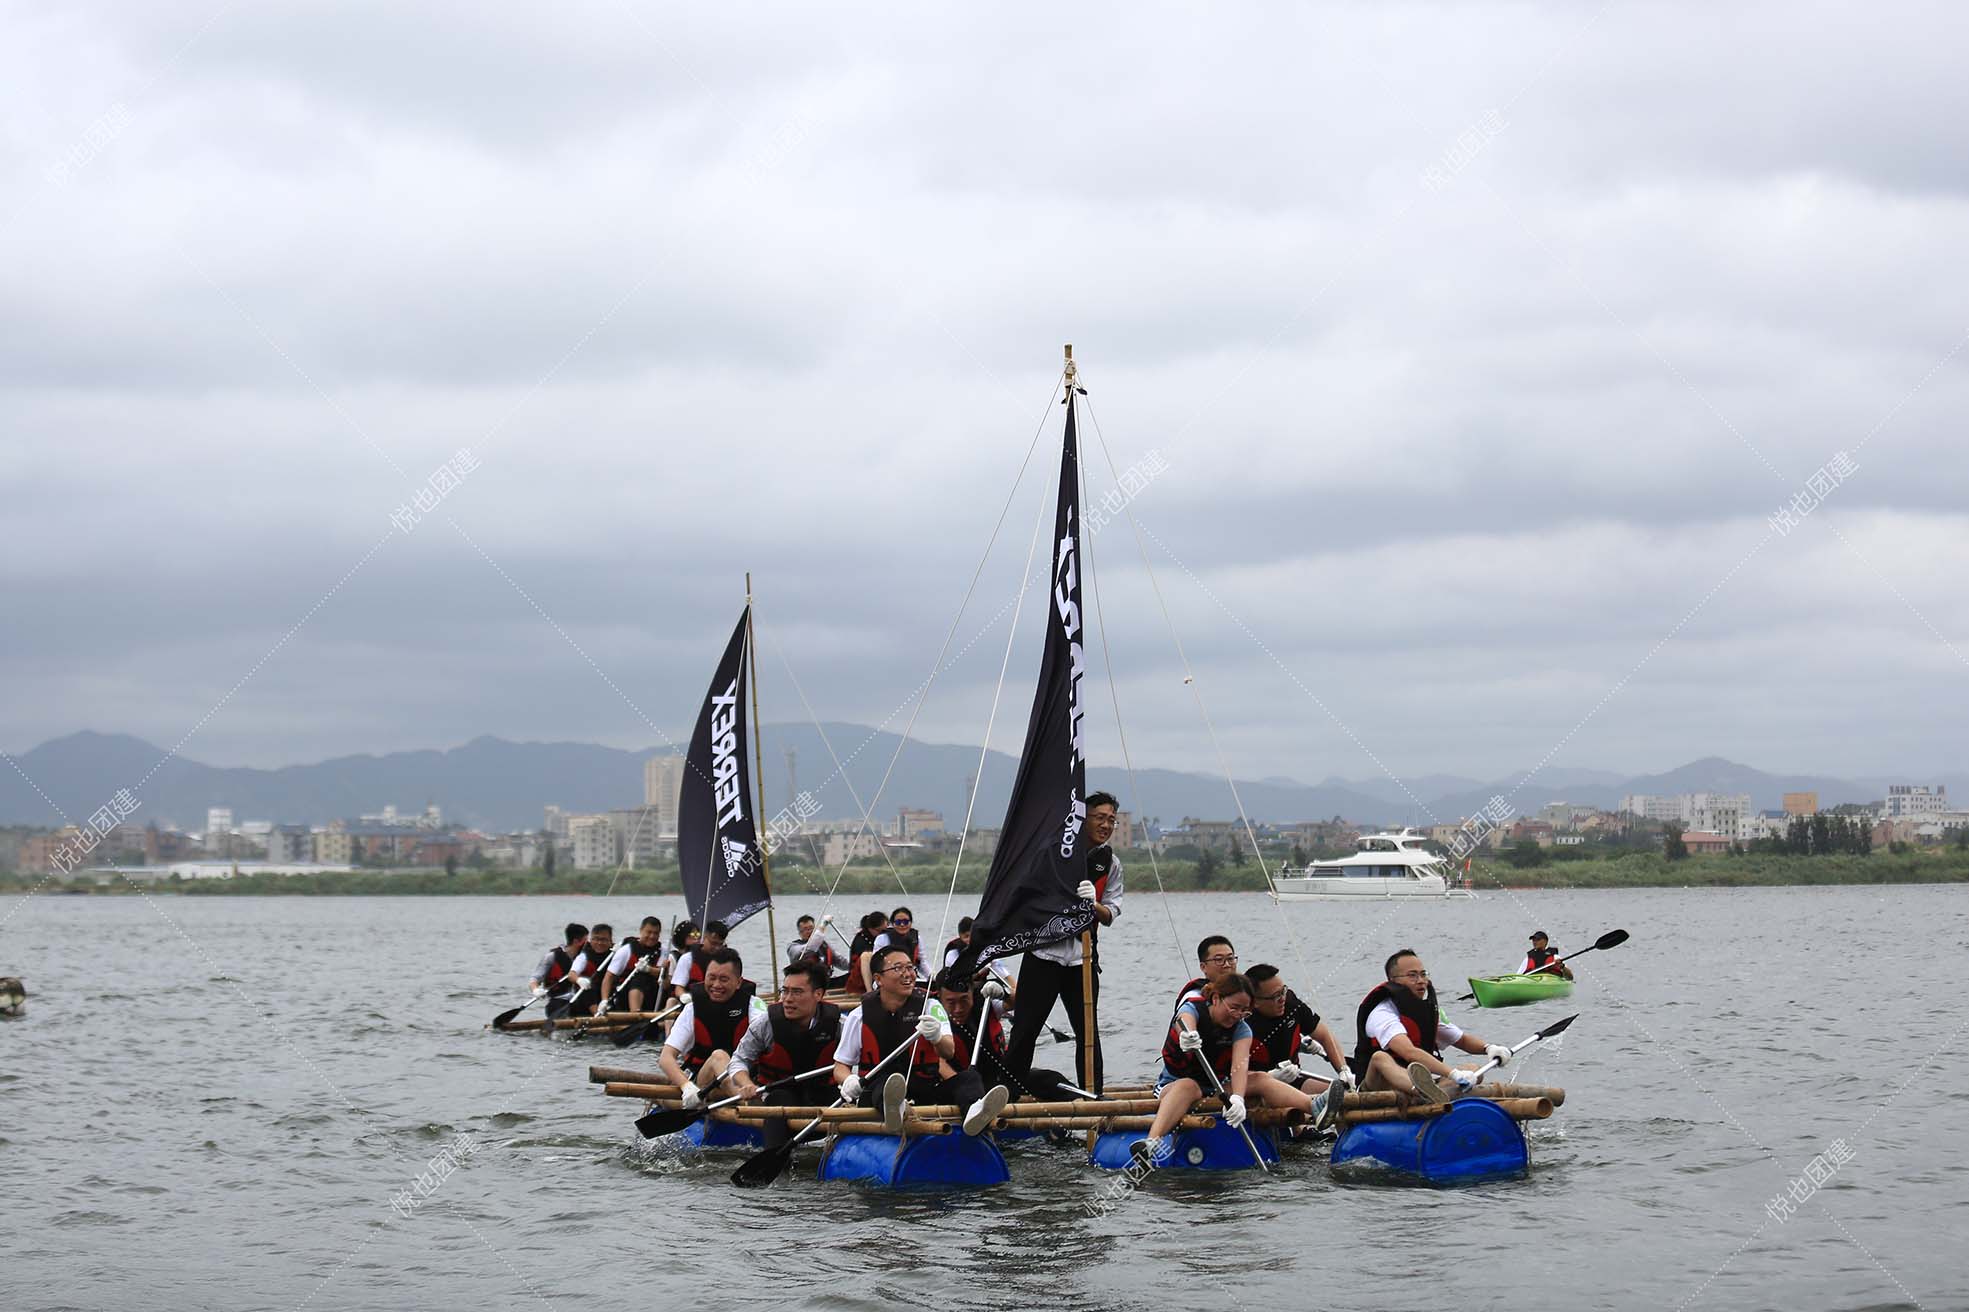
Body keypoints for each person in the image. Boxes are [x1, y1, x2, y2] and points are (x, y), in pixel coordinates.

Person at [1134, 973, 1341, 1168]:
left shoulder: (1242, 1029)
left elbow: (1239, 1068)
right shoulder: (1194, 1009)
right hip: (1176, 1084)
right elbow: (1184, 1020)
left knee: (1259, 1078)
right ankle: (1152, 1142)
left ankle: (1313, 1107)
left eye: (1245, 1011)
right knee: (1188, 1086)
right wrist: (1188, 1035)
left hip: (1217, 1085)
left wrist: (1238, 1100)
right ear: (1216, 998)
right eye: (1234, 1008)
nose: (1238, 1015)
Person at [1005, 791, 1123, 1092]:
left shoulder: (1111, 864)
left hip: (1081, 958)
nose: (1106, 825)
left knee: (1087, 1034)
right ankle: (1008, 1095)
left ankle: (1092, 1095)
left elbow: (1110, 913)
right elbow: (1027, 896)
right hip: (1043, 954)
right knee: (1025, 1029)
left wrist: (1092, 904)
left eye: (1111, 820)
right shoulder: (1054, 853)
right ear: (1084, 820)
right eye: (1099, 818)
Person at [832, 946, 1009, 1136]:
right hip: (879, 1092)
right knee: (888, 1084)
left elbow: (948, 1051)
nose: (907, 974)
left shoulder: (931, 1006)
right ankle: (896, 1111)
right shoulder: (859, 1016)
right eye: (898, 968)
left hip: (925, 1090)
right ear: (878, 979)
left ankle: (975, 1110)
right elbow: (840, 1067)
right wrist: (849, 1079)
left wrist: (936, 1037)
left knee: (969, 1078)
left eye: (910, 967)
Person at [1350, 949, 1513, 1104]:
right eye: (1412, 976)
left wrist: (1489, 1048)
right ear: (1394, 981)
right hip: (1378, 1088)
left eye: (1423, 974)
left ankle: (1436, 1093)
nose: (1421, 981)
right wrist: (1453, 1074)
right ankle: (1427, 1092)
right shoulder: (1382, 1013)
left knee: (1473, 1068)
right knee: (1380, 1058)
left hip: (1422, 1084)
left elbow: (1462, 1040)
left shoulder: (1425, 1011)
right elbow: (1409, 1052)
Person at [729, 959, 843, 1149]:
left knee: (845, 1099)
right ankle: (775, 1158)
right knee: (779, 1101)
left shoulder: (840, 1025)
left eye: (797, 992)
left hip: (822, 1093)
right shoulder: (766, 1024)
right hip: (779, 1094)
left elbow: (853, 1062)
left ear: (818, 994)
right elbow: (739, 1060)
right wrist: (746, 1084)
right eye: (785, 991)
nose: (787, 999)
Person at [934, 968, 1070, 1103]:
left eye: (964, 1000)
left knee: (1050, 1079)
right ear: (940, 997)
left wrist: (1004, 994)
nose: (958, 1009)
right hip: (964, 1085)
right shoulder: (934, 1017)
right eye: (951, 1002)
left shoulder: (985, 1000)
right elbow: (941, 1064)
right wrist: (967, 1089)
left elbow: (1023, 1002)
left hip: (1001, 1077)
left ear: (971, 991)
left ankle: (1083, 1104)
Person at [658, 948, 765, 1108]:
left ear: (738, 982)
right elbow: (666, 1058)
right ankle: (750, 1106)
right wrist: (686, 1087)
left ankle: (749, 1099)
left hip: (746, 1079)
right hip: (705, 1080)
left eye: (724, 979)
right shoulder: (692, 1009)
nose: (716, 985)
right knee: (719, 1056)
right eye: (711, 978)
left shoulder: (755, 1006)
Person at [1244, 963, 1352, 1096]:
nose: (1282, 999)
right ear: (1254, 1001)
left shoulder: (1291, 1003)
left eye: (1283, 991)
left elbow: (1324, 1035)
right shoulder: (1242, 1021)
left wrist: (1343, 1070)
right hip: (1254, 1091)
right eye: (1275, 996)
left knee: (1342, 1095)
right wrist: (1269, 1078)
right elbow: (1230, 1075)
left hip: (1293, 1079)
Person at [599, 917, 666, 1015]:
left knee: (647, 977)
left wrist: (648, 969)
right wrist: (604, 1000)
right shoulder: (627, 950)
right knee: (639, 977)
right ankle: (635, 1014)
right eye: (649, 932)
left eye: (656, 933)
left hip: (653, 994)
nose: (652, 936)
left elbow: (663, 973)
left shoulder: (663, 951)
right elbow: (609, 977)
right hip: (626, 993)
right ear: (641, 931)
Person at [944, 916, 1016, 1003]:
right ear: (960, 937)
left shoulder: (986, 951)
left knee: (999, 985)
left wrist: (1015, 990)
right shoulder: (953, 954)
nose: (970, 940)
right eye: (966, 936)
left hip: (979, 990)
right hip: (958, 991)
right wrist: (980, 972)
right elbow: (956, 978)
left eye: (972, 935)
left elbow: (1004, 973)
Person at [527, 923, 590, 1018]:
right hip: (558, 1002)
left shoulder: (586, 957)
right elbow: (534, 979)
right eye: (586, 941)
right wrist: (536, 990)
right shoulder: (551, 957)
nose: (588, 944)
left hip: (580, 1001)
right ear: (576, 941)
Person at [562, 924, 615, 1018]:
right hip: (586, 1001)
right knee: (587, 988)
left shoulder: (615, 955)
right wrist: (579, 980)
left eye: (603, 940)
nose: (599, 943)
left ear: (610, 941)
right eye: (596, 939)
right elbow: (571, 975)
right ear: (590, 941)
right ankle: (598, 1016)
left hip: (607, 998)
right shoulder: (584, 956)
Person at [1174, 935, 1238, 1012]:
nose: (1227, 964)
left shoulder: (1244, 993)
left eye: (1230, 959)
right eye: (1219, 960)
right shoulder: (1194, 998)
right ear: (1203, 967)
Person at [865, 906, 928, 985]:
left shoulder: (917, 938)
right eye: (898, 922)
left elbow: (922, 962)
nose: (902, 925)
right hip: (887, 979)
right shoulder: (883, 938)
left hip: (909, 977)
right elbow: (877, 963)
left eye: (905, 922)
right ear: (893, 924)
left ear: (911, 923)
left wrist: (931, 976)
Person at [669, 919, 728, 1001]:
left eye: (720, 944)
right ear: (704, 938)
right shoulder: (688, 958)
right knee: (671, 1001)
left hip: (716, 1000)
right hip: (691, 1001)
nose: (716, 948)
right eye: (713, 943)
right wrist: (684, 996)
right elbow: (678, 989)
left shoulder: (726, 961)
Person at [842, 911, 888, 994]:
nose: (883, 934)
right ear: (871, 928)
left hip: (879, 977)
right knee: (867, 955)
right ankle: (870, 991)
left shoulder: (885, 937)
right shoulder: (861, 941)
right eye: (880, 931)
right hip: (860, 981)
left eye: (886, 930)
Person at [787, 913, 843, 980]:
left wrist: (855, 965)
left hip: (824, 981)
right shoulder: (793, 948)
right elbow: (810, 948)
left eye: (811, 928)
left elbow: (840, 960)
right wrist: (823, 926)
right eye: (805, 929)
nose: (809, 932)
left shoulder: (823, 944)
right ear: (800, 932)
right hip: (804, 983)